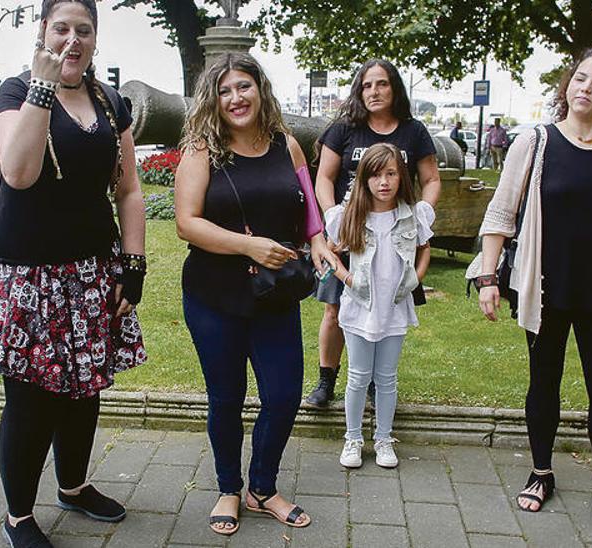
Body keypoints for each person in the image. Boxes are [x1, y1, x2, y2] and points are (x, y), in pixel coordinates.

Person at [0, 1, 148, 546]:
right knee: (31, 399)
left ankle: (73, 486)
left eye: (83, 30)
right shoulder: (16, 93)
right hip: (26, 275)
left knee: (84, 389)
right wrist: (43, 87)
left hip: (90, 269)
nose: (72, 39)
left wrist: (132, 264)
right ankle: (18, 515)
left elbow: (128, 188)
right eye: (60, 28)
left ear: (96, 38)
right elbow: (18, 172)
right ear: (43, 33)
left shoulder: (110, 102)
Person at [468, 46, 592, 538]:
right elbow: (501, 214)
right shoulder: (537, 140)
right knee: (543, 380)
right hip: (545, 289)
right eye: (579, 78)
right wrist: (488, 277)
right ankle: (541, 471)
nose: (584, 88)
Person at [175, 52, 338, 536]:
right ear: (214, 99)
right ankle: (229, 486)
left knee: (284, 395)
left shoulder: (286, 145)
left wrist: (317, 240)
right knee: (226, 397)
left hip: (274, 295)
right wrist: (250, 245)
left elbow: (307, 204)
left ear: (259, 89)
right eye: (224, 91)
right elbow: (187, 223)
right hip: (214, 295)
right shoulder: (202, 149)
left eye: (243, 86)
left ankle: (261, 487)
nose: (235, 98)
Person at [305, 59, 440, 409]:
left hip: (393, 234)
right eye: (366, 85)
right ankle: (326, 380)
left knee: (387, 309)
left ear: (394, 88)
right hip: (352, 233)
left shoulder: (413, 131)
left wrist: (422, 216)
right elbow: (324, 178)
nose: (374, 91)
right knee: (335, 308)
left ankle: (374, 382)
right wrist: (335, 217)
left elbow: (431, 179)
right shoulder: (345, 129)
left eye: (381, 84)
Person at [327, 144, 433, 469]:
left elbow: (424, 247)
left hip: (394, 308)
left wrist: (416, 277)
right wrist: (347, 279)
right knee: (358, 376)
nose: (384, 182)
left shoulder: (413, 215)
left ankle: (384, 438)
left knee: (387, 377)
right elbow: (330, 251)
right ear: (364, 179)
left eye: (390, 174)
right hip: (360, 308)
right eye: (376, 175)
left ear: (401, 177)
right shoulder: (350, 216)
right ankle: (353, 438)